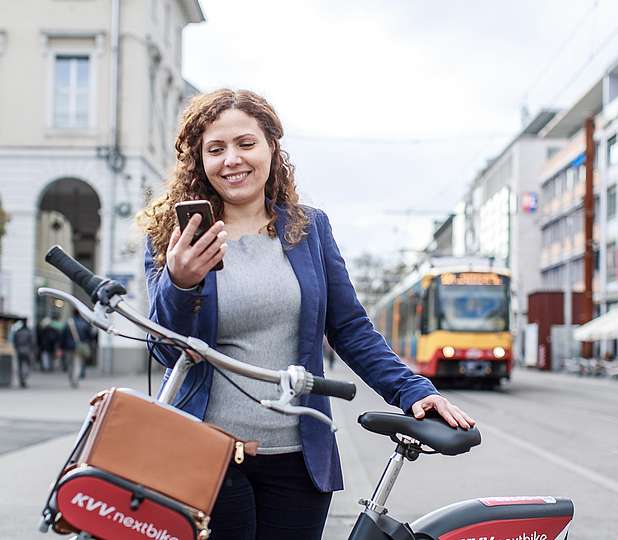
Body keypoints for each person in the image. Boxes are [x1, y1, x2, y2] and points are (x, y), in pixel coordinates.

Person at [137, 89, 475, 540]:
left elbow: (350, 328)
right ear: (199, 161)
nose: (232, 159)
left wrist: (412, 389)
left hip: (297, 458)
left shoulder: (308, 228)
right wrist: (179, 284)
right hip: (204, 454)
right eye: (215, 149)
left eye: (245, 143)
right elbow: (165, 350)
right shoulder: (176, 235)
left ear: (271, 147)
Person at [61, 309, 93, 387]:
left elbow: (63, 336)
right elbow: (89, 336)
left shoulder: (68, 323)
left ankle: (71, 378)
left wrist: (61, 347)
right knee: (77, 363)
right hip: (79, 347)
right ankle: (75, 379)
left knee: (70, 364)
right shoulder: (84, 323)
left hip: (68, 347)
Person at [11, 319, 33, 388]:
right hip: (27, 350)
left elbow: (14, 342)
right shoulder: (29, 332)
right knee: (28, 365)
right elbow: (32, 342)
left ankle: (21, 379)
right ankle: (24, 378)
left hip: (19, 350)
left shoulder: (17, 332)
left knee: (20, 366)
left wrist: (16, 348)